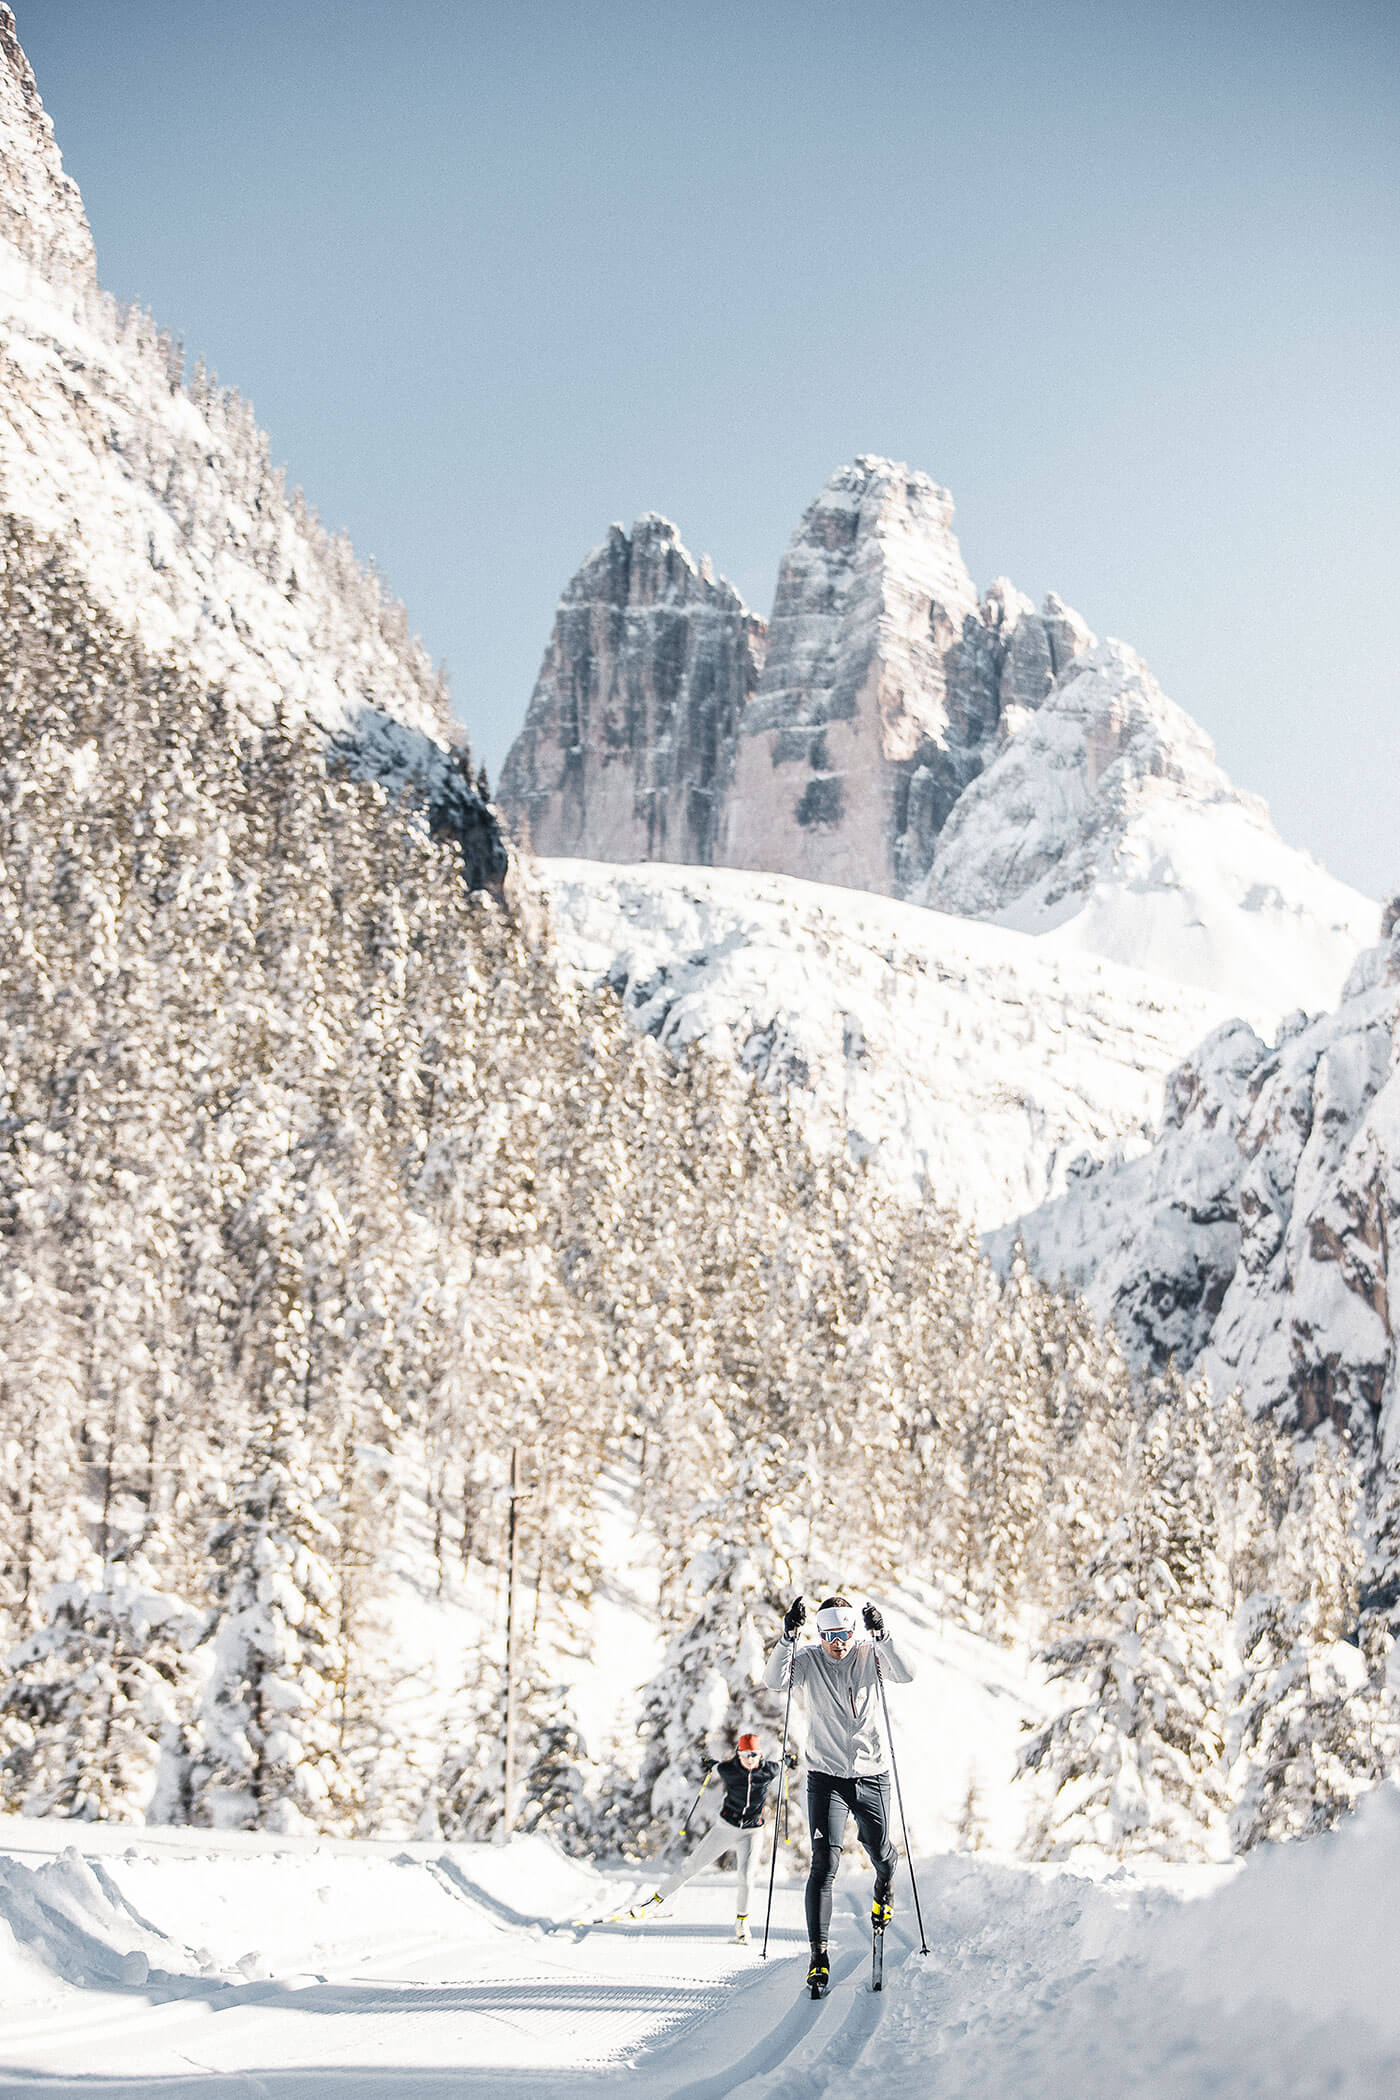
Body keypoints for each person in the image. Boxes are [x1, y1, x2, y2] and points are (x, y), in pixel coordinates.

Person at [763, 1594, 914, 1995]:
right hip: (825, 1776)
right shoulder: (809, 1661)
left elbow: (906, 1674)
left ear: (853, 1631)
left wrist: (883, 1635)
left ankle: (884, 1885)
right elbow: (774, 1681)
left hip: (871, 1774)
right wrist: (787, 1637)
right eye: (828, 1635)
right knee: (824, 1863)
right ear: (819, 1634)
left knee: (880, 1851)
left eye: (843, 1634)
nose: (837, 1643)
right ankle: (819, 1957)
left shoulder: (870, 1655)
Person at [629, 1731, 779, 1943]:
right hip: (725, 1828)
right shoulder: (729, 1770)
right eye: (746, 1755)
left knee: (746, 1878)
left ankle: (742, 1924)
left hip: (752, 1832)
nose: (750, 1759)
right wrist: (708, 1764)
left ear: (760, 1754)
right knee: (691, 1867)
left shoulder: (769, 1770)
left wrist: (790, 1761)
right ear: (738, 1754)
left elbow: (782, 1764)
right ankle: (653, 1903)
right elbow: (716, 1766)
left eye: (754, 1754)